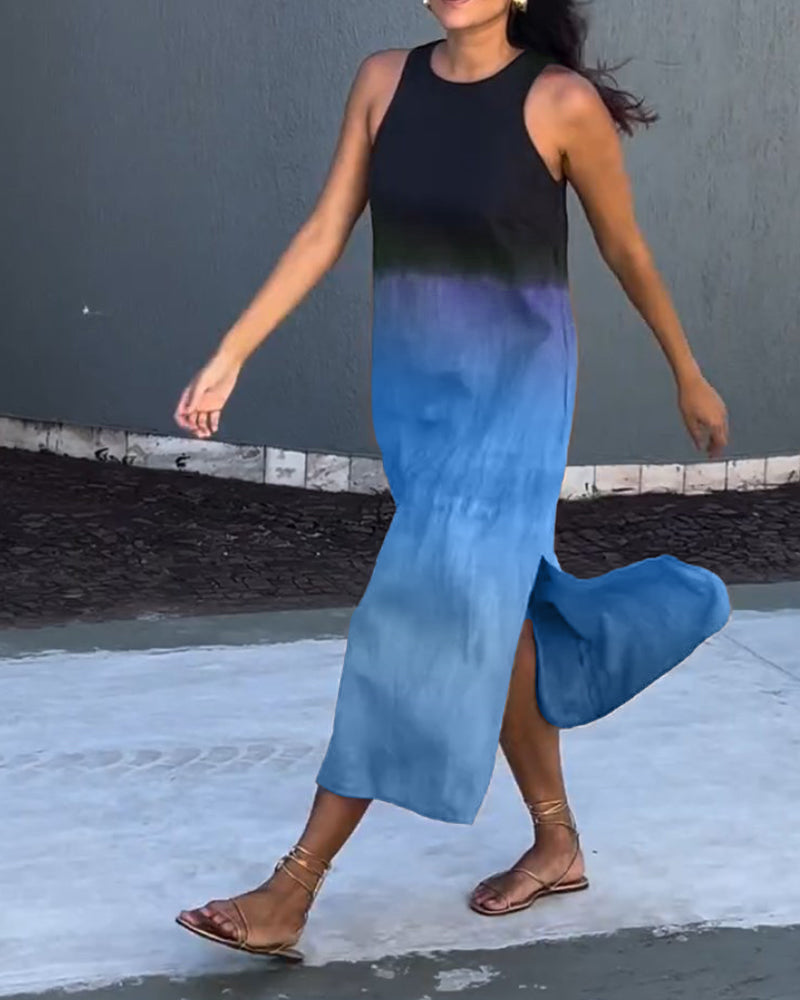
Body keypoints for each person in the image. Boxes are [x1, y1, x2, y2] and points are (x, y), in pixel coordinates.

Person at [174, 0, 731, 960]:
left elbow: (624, 247)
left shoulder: (560, 104)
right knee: (492, 611)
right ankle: (558, 840)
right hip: (419, 401)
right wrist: (232, 353)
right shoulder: (383, 82)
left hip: (515, 403)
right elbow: (325, 230)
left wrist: (687, 370)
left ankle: (292, 887)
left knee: (413, 618)